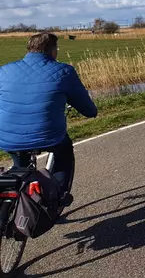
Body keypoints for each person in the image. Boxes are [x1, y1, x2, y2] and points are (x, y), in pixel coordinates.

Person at [0, 33, 98, 207]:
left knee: (19, 161)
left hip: (7, 137)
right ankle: (57, 197)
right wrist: (91, 112)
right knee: (64, 154)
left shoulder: (5, 70)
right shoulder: (64, 71)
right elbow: (87, 107)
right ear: (52, 50)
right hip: (48, 136)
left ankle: (13, 196)